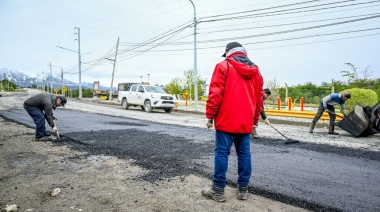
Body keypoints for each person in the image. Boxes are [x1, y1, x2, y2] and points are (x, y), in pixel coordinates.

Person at [202, 42, 263, 202]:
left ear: (228, 52)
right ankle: (243, 190)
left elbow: (215, 93)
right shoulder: (256, 72)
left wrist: (210, 115)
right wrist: (255, 120)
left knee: (222, 153)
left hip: (226, 121)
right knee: (244, 154)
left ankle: (218, 191)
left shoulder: (223, 66)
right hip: (245, 123)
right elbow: (259, 99)